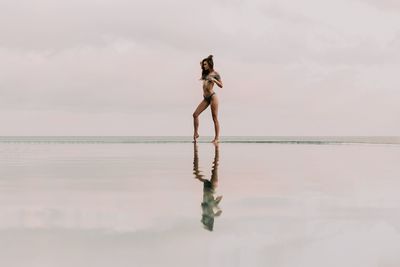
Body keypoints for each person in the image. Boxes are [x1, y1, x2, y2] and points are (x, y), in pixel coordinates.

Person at [193, 55, 223, 143]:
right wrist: (203, 61)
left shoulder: (215, 74)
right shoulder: (205, 74)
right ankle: (196, 134)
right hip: (206, 98)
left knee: (214, 118)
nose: (204, 66)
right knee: (195, 115)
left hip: (213, 97)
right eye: (203, 65)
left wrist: (214, 80)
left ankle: (217, 138)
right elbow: (201, 64)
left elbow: (221, 85)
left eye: (205, 64)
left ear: (209, 64)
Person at [193, 142, 222, 231]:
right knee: (215, 166)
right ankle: (216, 149)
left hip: (210, 187)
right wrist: (216, 205)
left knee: (215, 166)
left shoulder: (207, 211)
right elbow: (211, 204)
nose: (202, 218)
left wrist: (217, 204)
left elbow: (217, 209)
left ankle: (216, 150)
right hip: (210, 187)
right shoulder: (207, 211)